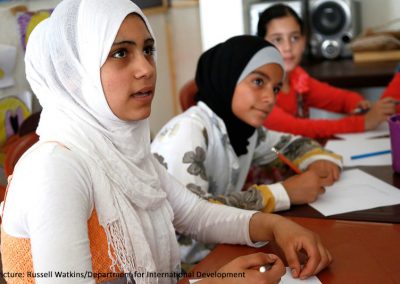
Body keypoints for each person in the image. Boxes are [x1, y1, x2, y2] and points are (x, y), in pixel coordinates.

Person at [0, 0, 332, 283]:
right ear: (76, 75)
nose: (146, 68)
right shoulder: (56, 168)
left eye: (147, 49)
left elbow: (197, 215)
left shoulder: (125, 152)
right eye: (120, 53)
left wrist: (276, 226)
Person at [151, 35, 341, 265]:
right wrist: (283, 193)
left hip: (223, 251)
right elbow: (194, 216)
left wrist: (318, 160)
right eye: (258, 82)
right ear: (228, 77)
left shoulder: (245, 131)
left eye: (276, 88)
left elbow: (292, 144)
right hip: (182, 268)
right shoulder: (188, 131)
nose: (270, 98)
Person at [256, 3, 398, 139]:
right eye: (277, 40)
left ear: (304, 40)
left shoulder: (296, 78)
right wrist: (363, 122)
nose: (287, 47)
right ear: (261, 44)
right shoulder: (259, 88)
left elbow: (338, 98)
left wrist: (359, 104)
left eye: (294, 38)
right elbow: (296, 128)